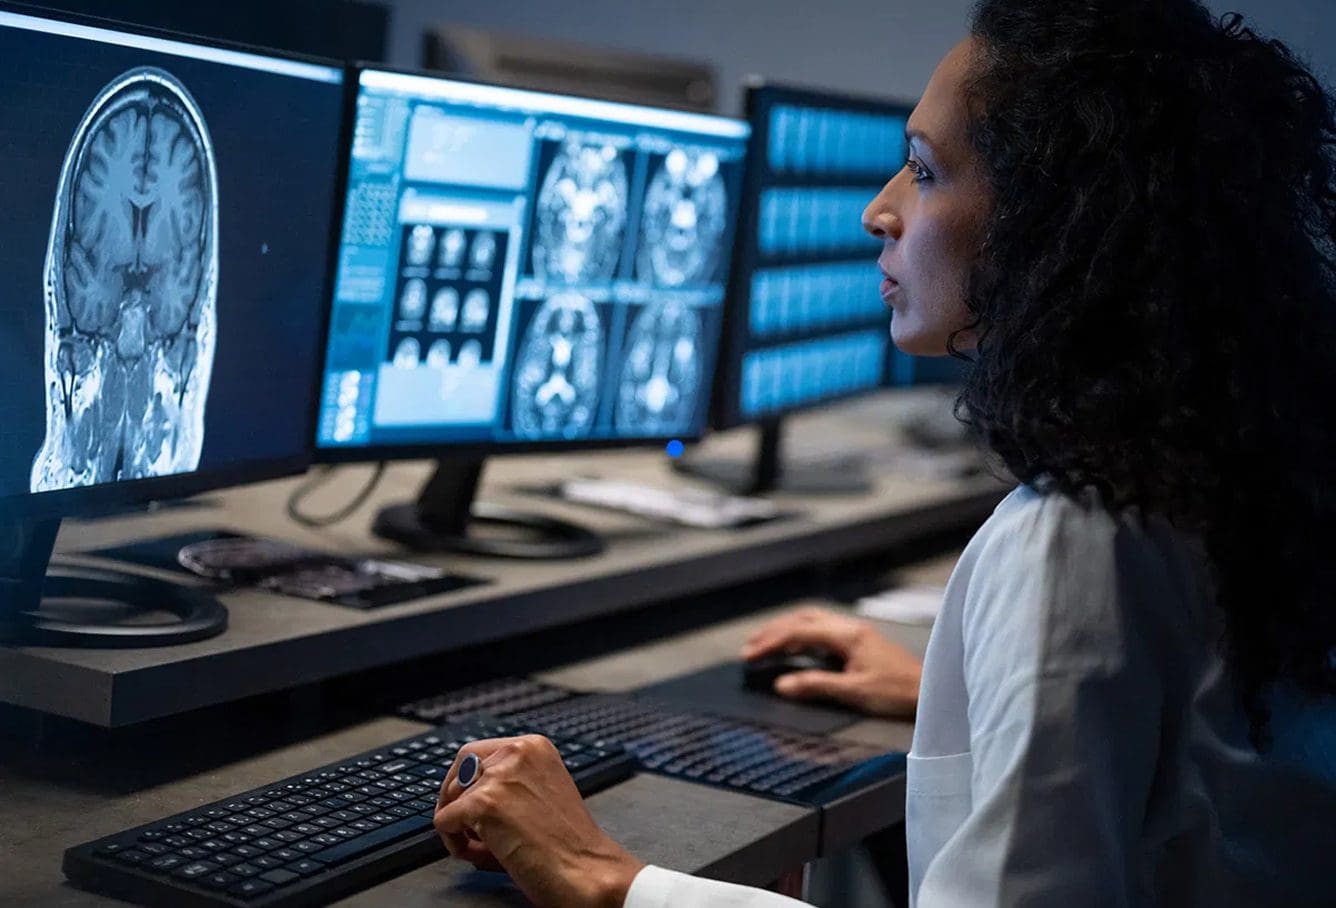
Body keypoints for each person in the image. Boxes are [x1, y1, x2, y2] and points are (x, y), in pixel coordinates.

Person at [432, 0, 1336, 904]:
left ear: (1057, 219)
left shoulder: (1075, 539)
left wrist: (608, 880)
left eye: (922, 171)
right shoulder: (1218, 467)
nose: (878, 212)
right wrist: (973, 693)